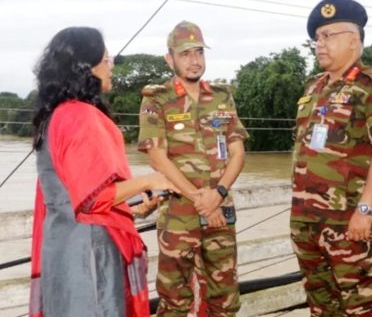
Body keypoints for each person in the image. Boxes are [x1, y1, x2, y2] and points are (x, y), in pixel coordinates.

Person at [29, 27, 179, 317]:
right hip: (90, 258)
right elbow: (93, 199)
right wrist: (150, 179)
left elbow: (68, 196)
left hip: (63, 251)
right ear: (88, 66)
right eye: (107, 59)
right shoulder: (79, 116)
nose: (111, 66)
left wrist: (131, 209)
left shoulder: (56, 115)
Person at [290, 0, 372, 316]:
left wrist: (365, 209)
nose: (320, 44)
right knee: (320, 306)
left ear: (354, 39)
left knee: (361, 306)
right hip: (307, 221)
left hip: (350, 222)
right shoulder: (313, 89)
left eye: (329, 36)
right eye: (317, 38)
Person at [137, 21, 248, 317]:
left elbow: (237, 151)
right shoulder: (156, 99)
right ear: (169, 59)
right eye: (185, 54)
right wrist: (200, 199)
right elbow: (157, 158)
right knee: (174, 301)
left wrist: (218, 193)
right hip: (178, 216)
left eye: (199, 52)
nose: (194, 60)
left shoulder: (222, 96)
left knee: (225, 300)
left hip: (220, 212)